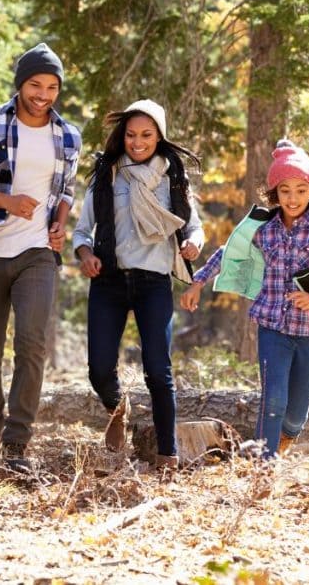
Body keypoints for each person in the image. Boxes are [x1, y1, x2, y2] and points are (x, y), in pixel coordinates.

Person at [0, 43, 81, 478]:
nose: (43, 94)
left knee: (32, 343)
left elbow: (65, 191)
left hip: (37, 253)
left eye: (52, 87)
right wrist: (7, 201)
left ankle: (18, 444)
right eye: (35, 84)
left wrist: (59, 223)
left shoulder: (68, 136)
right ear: (21, 84)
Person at [181, 139, 309, 459]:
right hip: (272, 327)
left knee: (295, 414)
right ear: (274, 193)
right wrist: (198, 281)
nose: (293, 198)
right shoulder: (264, 229)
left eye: (301, 190)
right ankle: (264, 464)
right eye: (285, 190)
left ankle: (286, 437)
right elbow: (228, 254)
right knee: (273, 399)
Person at [72, 99, 204, 471]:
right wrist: (86, 256)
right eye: (131, 134)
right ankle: (117, 410)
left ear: (159, 135)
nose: (138, 141)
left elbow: (192, 226)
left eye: (146, 134)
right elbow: (82, 232)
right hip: (109, 280)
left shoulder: (173, 177)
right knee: (99, 369)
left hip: (154, 282)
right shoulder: (107, 175)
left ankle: (168, 455)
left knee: (158, 370)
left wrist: (195, 242)